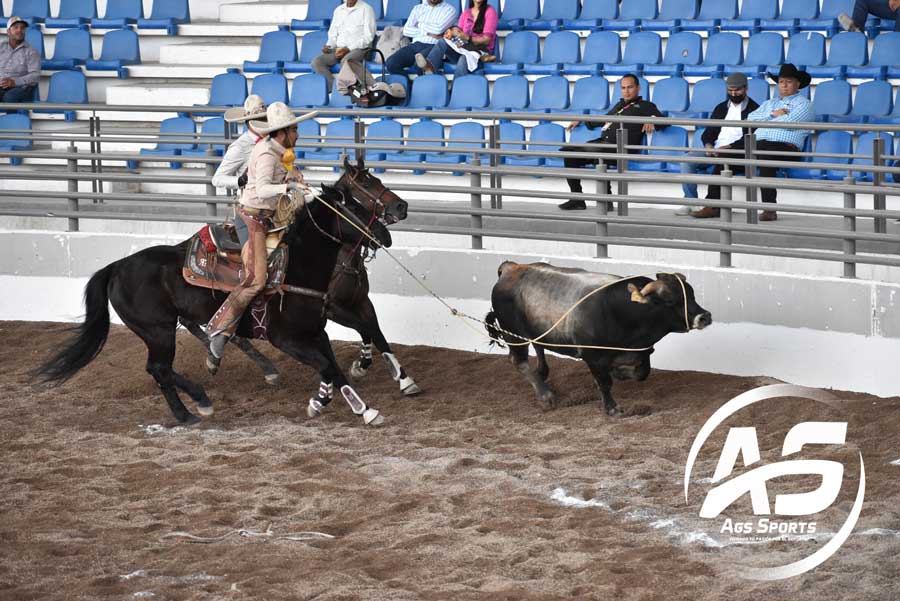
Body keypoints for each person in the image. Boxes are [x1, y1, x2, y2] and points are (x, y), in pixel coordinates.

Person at [206, 103, 317, 361]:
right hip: (253, 218)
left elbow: (287, 172)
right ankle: (219, 329)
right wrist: (289, 189)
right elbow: (263, 189)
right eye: (296, 129)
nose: (299, 134)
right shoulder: (267, 154)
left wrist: (297, 180)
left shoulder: (280, 150)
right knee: (256, 279)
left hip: (268, 216)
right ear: (284, 132)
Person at [716, 63, 812, 222]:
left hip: (785, 147)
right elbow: (751, 119)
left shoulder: (804, 103)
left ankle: (769, 209)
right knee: (725, 156)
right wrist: (774, 115)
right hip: (758, 144)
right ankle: (714, 204)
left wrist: (768, 118)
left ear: (798, 84)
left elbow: (790, 121)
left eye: (789, 81)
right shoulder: (770, 103)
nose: (784, 85)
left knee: (765, 156)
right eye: (781, 81)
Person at [559, 75, 667, 211]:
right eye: (623, 88)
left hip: (622, 149)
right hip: (603, 144)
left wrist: (652, 120)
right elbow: (605, 119)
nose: (626, 91)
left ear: (638, 88)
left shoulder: (646, 106)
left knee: (599, 153)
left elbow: (665, 121)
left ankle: (607, 200)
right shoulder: (619, 105)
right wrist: (582, 120)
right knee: (569, 153)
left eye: (630, 87)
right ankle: (577, 199)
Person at [680, 72, 759, 217]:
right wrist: (709, 146)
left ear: (746, 89)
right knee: (686, 160)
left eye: (737, 90)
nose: (733, 93)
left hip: (738, 152)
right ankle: (692, 205)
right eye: (730, 90)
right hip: (715, 149)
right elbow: (709, 132)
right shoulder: (721, 108)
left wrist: (729, 148)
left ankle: (712, 206)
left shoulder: (755, 109)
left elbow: (751, 136)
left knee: (723, 158)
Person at [416, 0, 498, 76]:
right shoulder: (466, 13)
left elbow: (487, 40)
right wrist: (452, 35)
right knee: (442, 41)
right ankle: (430, 67)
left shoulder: (490, 11)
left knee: (464, 58)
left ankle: (456, 89)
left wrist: (467, 37)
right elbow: (458, 34)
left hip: (480, 54)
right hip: (463, 49)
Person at [311, 0, 376, 91]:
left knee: (345, 61)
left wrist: (348, 49)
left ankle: (352, 90)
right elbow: (333, 34)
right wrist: (329, 46)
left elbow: (368, 37)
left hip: (360, 49)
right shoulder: (338, 10)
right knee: (317, 62)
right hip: (339, 49)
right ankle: (335, 89)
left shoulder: (366, 9)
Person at [211, 95, 268, 191]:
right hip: (251, 200)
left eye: (264, 119)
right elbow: (217, 179)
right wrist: (241, 180)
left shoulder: (270, 139)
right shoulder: (240, 147)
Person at [384, 0, 458, 75]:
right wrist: (427, 32)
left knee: (420, 65)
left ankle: (423, 84)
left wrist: (419, 25)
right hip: (415, 45)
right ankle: (407, 84)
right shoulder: (418, 8)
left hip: (435, 46)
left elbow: (438, 30)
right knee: (391, 63)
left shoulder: (450, 10)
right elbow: (406, 30)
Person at [0, 16, 40, 104]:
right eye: (15, 27)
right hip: (1, 86)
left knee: (9, 97)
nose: (19, 30)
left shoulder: (31, 51)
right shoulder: (1, 47)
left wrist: (14, 82)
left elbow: (35, 76)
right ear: (8, 32)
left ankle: (12, 118)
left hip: (22, 88)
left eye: (22, 28)